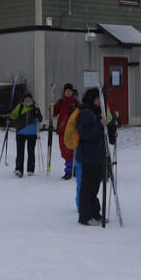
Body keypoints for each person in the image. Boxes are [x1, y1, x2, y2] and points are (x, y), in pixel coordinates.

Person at [76, 88, 107, 225]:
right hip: (88, 155)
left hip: (98, 155)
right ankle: (84, 216)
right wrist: (99, 125)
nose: (101, 101)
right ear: (92, 99)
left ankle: (94, 212)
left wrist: (111, 130)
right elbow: (86, 134)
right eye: (98, 98)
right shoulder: (86, 113)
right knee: (87, 187)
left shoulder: (98, 113)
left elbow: (103, 132)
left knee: (95, 187)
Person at [10, 92, 43, 177]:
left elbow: (40, 119)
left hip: (32, 133)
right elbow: (13, 115)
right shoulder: (20, 106)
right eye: (26, 98)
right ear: (24, 99)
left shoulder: (35, 107)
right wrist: (9, 117)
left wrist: (38, 113)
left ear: (32, 99)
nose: (28, 100)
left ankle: (30, 169)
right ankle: (19, 169)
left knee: (31, 151)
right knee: (20, 152)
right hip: (20, 132)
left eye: (29, 98)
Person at [52, 83, 79, 180]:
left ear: (72, 92)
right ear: (64, 92)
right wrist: (51, 107)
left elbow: (81, 114)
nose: (68, 92)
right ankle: (72, 168)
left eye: (70, 91)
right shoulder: (60, 102)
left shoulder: (76, 102)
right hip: (62, 130)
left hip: (72, 131)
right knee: (64, 151)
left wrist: (75, 111)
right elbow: (54, 113)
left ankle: (70, 170)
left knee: (70, 151)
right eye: (66, 90)